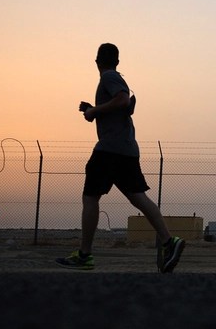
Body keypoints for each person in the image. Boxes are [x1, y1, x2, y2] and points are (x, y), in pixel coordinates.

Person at [55, 43, 185, 272]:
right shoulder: (115, 78)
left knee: (90, 197)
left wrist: (94, 111)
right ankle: (169, 241)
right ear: (117, 60)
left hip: (109, 149)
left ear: (97, 61)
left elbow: (123, 100)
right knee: (138, 198)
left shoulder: (110, 78)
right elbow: (120, 105)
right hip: (126, 149)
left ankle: (84, 255)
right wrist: (94, 109)